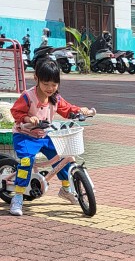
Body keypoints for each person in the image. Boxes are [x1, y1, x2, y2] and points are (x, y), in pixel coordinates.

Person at [9, 56, 95, 217]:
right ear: (36, 79)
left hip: (44, 134)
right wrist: (28, 118)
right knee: (26, 161)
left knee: (62, 157)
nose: (50, 88)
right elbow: (15, 112)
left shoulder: (55, 98)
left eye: (54, 84)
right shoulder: (28, 96)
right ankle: (18, 196)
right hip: (25, 135)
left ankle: (66, 189)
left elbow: (67, 109)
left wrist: (80, 110)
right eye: (46, 83)